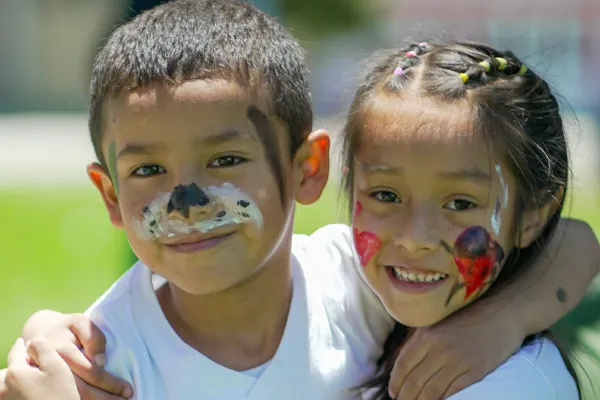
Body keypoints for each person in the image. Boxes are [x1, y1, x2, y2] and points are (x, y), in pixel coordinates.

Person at [2, 2, 599, 400]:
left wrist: (503, 318)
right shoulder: (96, 363)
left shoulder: (355, 280)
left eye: (226, 161)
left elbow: (571, 242)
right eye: (149, 169)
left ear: (306, 170)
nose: (186, 202)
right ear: (109, 195)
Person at [340, 41, 583, 398]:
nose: (414, 237)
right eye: (386, 195)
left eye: (460, 203)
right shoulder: (337, 282)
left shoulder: (516, 387)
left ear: (533, 215)